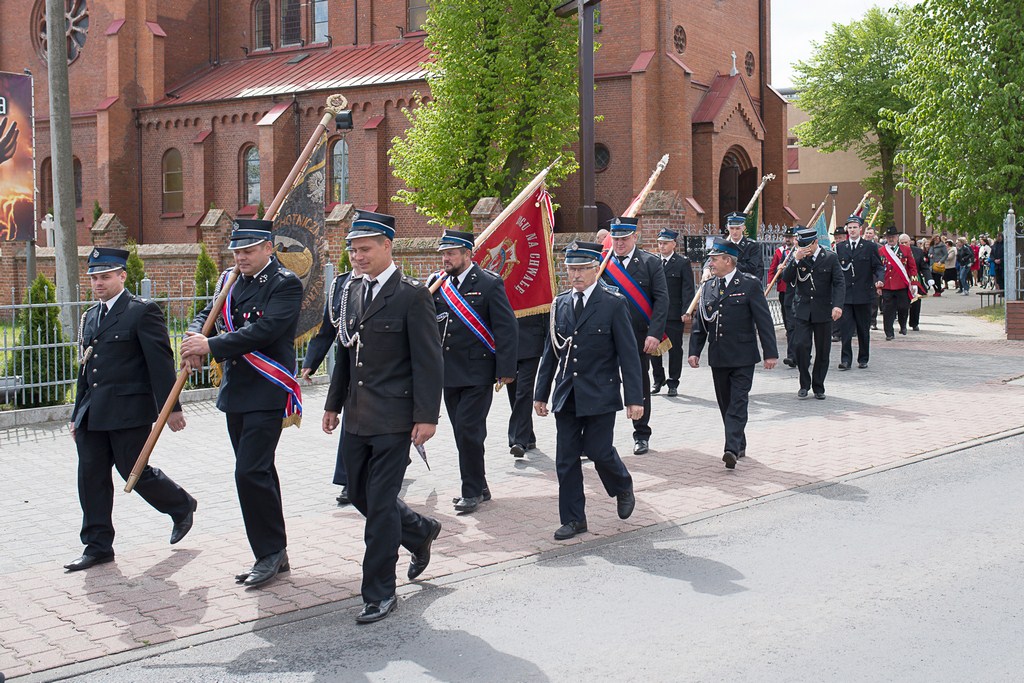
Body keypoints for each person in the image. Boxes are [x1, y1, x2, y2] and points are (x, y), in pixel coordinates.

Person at [322, 210, 444, 624]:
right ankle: (419, 530)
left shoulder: (412, 295)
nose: (357, 257)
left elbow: (429, 361)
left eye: (365, 249)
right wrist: (333, 404)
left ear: (387, 246)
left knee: (377, 506)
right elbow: (346, 352)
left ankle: (379, 592)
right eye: (353, 250)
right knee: (358, 493)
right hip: (357, 415)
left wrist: (427, 416)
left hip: (395, 418)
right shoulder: (351, 292)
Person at [182, 219, 303, 588]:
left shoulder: (285, 284)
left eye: (248, 251)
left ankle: (266, 553)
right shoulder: (229, 281)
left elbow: (266, 330)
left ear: (269, 248)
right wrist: (194, 335)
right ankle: (276, 550)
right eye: (237, 251)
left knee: (249, 472)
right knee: (259, 471)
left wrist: (213, 346)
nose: (241, 257)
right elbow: (209, 313)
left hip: (268, 390)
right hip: (237, 391)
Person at [65, 247, 196, 572]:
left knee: (133, 472)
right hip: (92, 413)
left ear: (122, 276)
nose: (98, 283)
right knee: (90, 477)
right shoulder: (90, 316)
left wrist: (172, 409)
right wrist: (75, 414)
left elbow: (160, 364)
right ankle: (97, 546)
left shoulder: (141, 311)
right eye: (94, 277)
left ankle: (180, 505)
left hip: (128, 411)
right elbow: (86, 370)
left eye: (105, 277)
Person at [533, 241, 642, 540]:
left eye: (582, 268)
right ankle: (573, 519)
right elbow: (551, 352)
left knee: (598, 450)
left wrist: (635, 398)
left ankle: (622, 485)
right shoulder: (561, 303)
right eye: (571, 269)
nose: (576, 275)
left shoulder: (613, 302)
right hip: (567, 394)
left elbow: (629, 355)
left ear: (597, 268)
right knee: (565, 459)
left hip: (600, 393)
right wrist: (540, 393)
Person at [428, 230, 518, 513]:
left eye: (451, 253)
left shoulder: (489, 284)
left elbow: (506, 328)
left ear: (468, 254)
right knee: (462, 432)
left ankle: (470, 492)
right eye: (443, 253)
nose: (445, 258)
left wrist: (505, 369)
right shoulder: (437, 285)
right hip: (448, 372)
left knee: (469, 429)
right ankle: (479, 483)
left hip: (478, 371)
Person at [688, 239, 779, 469]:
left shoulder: (749, 284)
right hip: (719, 356)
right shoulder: (708, 286)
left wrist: (770, 353)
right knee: (726, 404)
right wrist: (694, 351)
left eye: (714, 259)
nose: (710, 262)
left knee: (738, 403)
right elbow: (701, 322)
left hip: (743, 356)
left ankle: (730, 448)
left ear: (728, 260)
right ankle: (739, 442)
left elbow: (764, 320)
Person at [601, 217, 668, 455]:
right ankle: (598, 437)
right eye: (615, 238)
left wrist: (654, 334)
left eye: (624, 239)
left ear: (634, 237)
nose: (619, 243)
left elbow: (661, 301)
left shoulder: (650, 263)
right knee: (602, 384)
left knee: (638, 383)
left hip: (639, 336)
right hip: (606, 338)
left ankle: (641, 433)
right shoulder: (602, 264)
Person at [300, 255, 362, 506]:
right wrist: (310, 362)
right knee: (349, 425)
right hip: (348, 368)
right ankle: (349, 482)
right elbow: (328, 329)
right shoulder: (340, 285)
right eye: (353, 249)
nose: (357, 256)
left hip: (379, 370)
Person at [783, 227, 845, 399]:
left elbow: (839, 283)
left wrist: (838, 305)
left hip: (823, 309)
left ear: (815, 243)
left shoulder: (830, 258)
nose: (803, 250)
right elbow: (786, 279)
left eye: (806, 246)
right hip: (803, 309)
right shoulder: (799, 258)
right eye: (801, 246)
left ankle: (818, 385)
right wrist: (795, 260)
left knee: (823, 350)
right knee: (801, 346)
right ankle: (804, 383)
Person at [836, 216, 885, 370]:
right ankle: (846, 360)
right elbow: (836, 271)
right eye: (849, 228)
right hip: (846, 296)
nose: (852, 230)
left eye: (855, 227)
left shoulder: (869, 247)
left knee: (863, 329)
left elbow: (878, 266)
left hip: (864, 294)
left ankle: (863, 358)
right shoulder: (840, 247)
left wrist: (879, 279)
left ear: (860, 229)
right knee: (846, 329)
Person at [650, 228, 695, 397]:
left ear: (674, 244)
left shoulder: (682, 262)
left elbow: (688, 289)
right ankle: (658, 379)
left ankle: (673, 382)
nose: (662, 246)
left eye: (665, 243)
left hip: (674, 314)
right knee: (654, 348)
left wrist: (686, 311)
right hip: (655, 315)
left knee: (675, 350)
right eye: (660, 243)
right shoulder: (654, 262)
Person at [507, 312, 546, 458]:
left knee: (524, 390)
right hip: (509, 343)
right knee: (514, 390)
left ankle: (518, 440)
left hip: (531, 342)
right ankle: (529, 436)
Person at [877, 226, 919, 340]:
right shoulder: (881, 251)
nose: (891, 239)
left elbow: (912, 267)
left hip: (902, 285)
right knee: (887, 310)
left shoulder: (905, 250)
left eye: (893, 237)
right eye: (889, 237)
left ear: (897, 237)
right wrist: (878, 283)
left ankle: (903, 324)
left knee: (903, 307)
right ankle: (889, 333)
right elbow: (877, 268)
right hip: (887, 285)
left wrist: (914, 282)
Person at [768, 226, 797, 368]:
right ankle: (793, 355)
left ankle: (797, 354)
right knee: (789, 325)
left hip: (798, 292)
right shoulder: (779, 252)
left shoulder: (800, 252)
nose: (788, 239)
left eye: (790, 237)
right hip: (784, 291)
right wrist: (770, 283)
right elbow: (772, 270)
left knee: (797, 325)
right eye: (786, 237)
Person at [902, 234, 930, 331]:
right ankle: (902, 324)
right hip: (902, 281)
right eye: (902, 243)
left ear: (910, 242)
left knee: (916, 303)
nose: (904, 244)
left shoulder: (918, 252)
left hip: (915, 280)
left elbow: (924, 266)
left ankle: (914, 323)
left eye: (906, 242)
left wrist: (929, 278)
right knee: (903, 304)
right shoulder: (896, 252)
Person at [723, 211, 763, 278]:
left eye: (738, 228)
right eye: (732, 228)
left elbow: (753, 268)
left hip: (746, 283)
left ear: (743, 228)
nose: (734, 232)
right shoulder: (724, 245)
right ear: (727, 228)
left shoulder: (752, 246)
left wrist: (731, 264)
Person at [829, 224, 848, 342]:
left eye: (840, 237)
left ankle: (847, 330)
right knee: (835, 306)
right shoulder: (831, 250)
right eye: (836, 238)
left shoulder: (848, 249)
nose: (838, 240)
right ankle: (835, 332)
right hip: (834, 282)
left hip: (847, 281)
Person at [863, 226, 881, 329]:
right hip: (862, 277)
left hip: (874, 277)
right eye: (867, 233)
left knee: (874, 301)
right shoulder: (860, 245)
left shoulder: (879, 247)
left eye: (870, 233)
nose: (868, 235)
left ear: (874, 235)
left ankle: (873, 322)